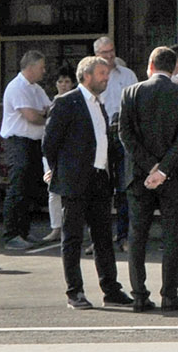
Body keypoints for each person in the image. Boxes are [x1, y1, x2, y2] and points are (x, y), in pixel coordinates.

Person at [116, 45, 178, 312]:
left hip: (139, 175)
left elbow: (125, 134)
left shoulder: (131, 92)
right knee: (172, 236)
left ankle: (139, 295)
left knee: (137, 235)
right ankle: (170, 295)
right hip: (172, 175)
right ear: (174, 68)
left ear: (150, 66)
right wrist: (162, 169)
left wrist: (150, 165)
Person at [44, 55, 124, 310]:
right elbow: (49, 143)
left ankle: (111, 290)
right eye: (102, 73)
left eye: (107, 73)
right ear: (86, 76)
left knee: (103, 237)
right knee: (73, 238)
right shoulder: (67, 102)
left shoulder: (99, 104)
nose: (106, 78)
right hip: (74, 180)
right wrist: (60, 170)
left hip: (99, 178)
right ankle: (74, 292)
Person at [0, 50, 53, 253]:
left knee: (29, 188)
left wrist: (42, 113)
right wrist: (41, 114)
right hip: (18, 142)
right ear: (30, 67)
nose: (44, 71)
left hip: (33, 143)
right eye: (41, 67)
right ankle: (12, 234)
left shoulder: (36, 88)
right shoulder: (17, 87)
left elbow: (50, 109)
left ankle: (23, 230)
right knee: (18, 187)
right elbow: (32, 116)